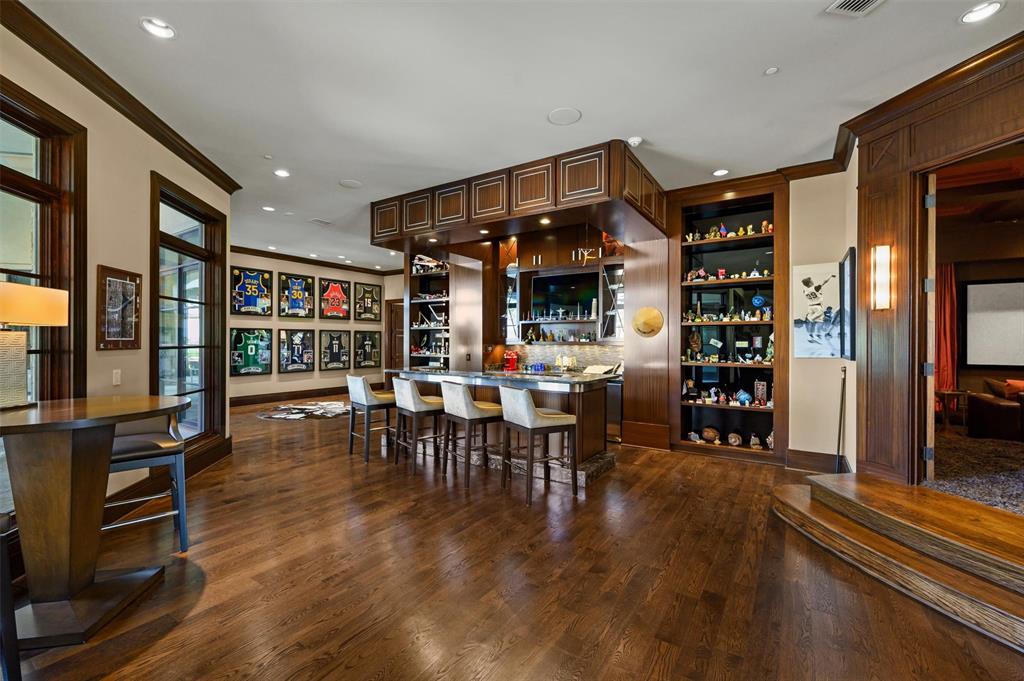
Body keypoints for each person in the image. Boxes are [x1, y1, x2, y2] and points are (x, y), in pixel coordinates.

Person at [801, 274, 835, 343]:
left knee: (813, 322)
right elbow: (825, 281)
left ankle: (810, 335)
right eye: (811, 281)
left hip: (810, 307)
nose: (813, 281)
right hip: (817, 306)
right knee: (819, 321)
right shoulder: (815, 288)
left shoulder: (804, 290)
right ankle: (818, 335)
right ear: (810, 283)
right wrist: (830, 276)